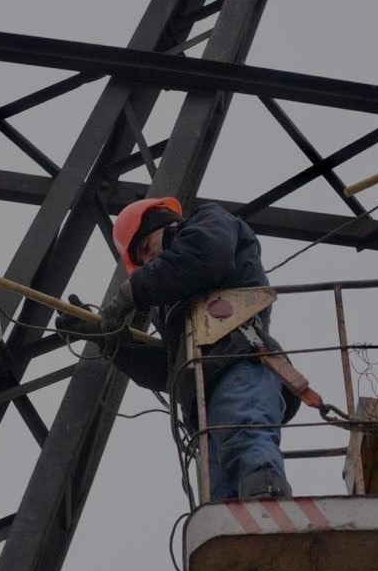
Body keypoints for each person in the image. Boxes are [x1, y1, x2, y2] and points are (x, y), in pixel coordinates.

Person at [58, 197, 298, 500]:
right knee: (220, 491)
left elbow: (206, 257)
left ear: (165, 224)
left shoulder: (208, 223)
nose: (149, 262)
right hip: (204, 393)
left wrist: (130, 293)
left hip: (241, 359)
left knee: (244, 431)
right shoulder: (172, 305)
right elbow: (170, 369)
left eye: (146, 248)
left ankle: (268, 499)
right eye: (142, 263)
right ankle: (241, 530)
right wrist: (111, 343)